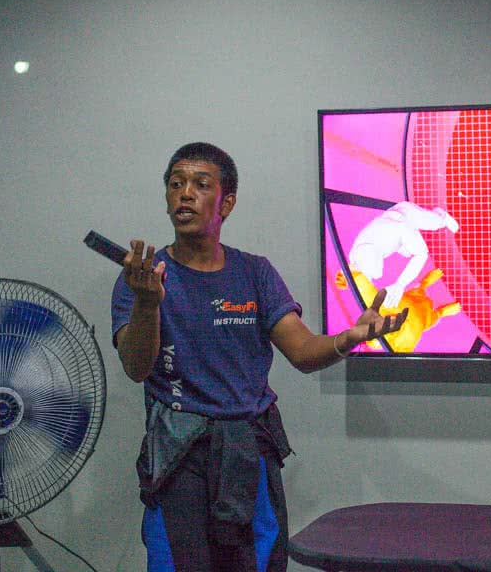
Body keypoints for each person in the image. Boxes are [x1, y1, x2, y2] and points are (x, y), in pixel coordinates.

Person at [111, 142, 407, 571]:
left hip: (249, 453)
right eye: (176, 184)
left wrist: (348, 338)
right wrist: (146, 303)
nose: (185, 194)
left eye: (200, 184)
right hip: (179, 458)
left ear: (226, 202)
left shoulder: (254, 272)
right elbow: (137, 368)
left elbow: (303, 352)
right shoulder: (142, 279)